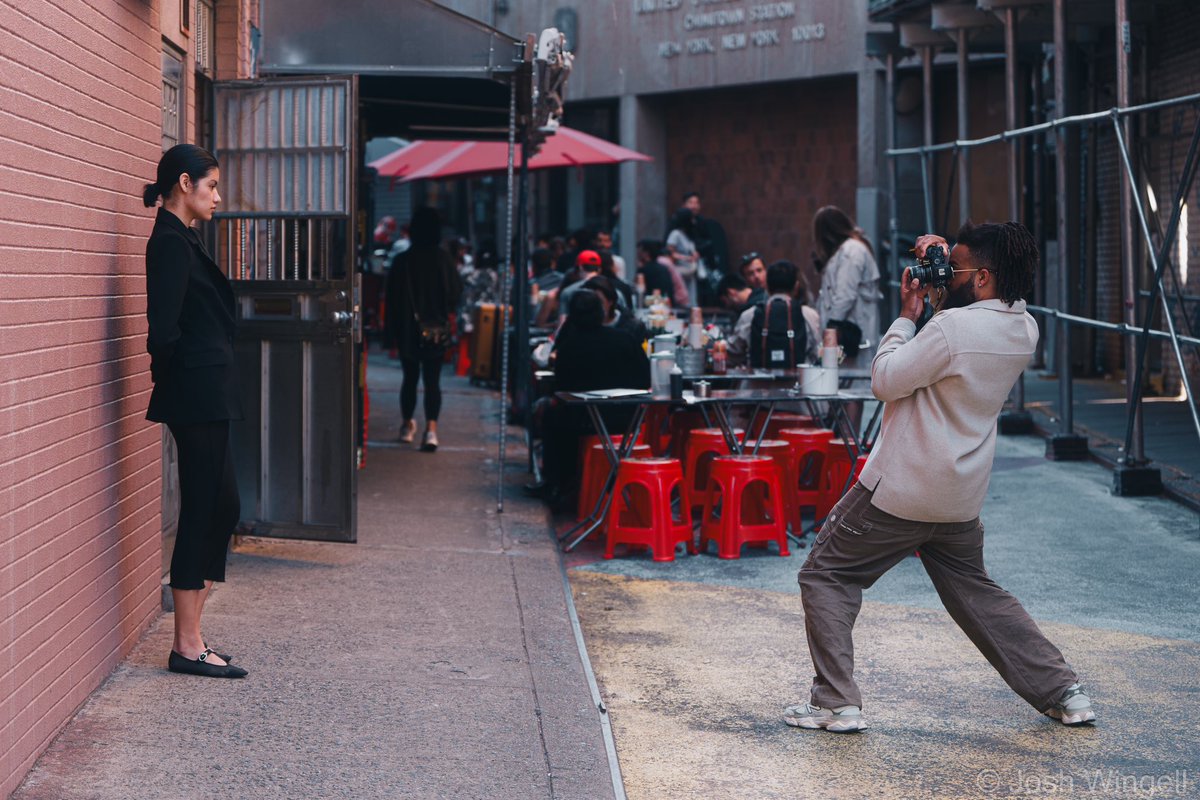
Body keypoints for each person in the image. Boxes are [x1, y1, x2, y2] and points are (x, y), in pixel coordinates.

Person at [786, 221, 1095, 734]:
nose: (946, 271)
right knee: (976, 592)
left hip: (901, 487)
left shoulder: (949, 330)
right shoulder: (1025, 329)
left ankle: (835, 702)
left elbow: (887, 380)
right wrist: (942, 286)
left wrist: (908, 318)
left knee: (826, 574)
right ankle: (1064, 691)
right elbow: (954, 347)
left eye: (957, 266)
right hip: (959, 497)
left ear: (982, 278)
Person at [142, 144, 247, 679]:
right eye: (211, 186)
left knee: (223, 504)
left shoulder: (182, 239)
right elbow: (162, 333)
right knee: (205, 507)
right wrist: (179, 383)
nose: (217, 196)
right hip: (195, 395)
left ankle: (193, 634)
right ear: (185, 183)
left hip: (209, 393)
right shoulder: (168, 243)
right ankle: (187, 644)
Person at [525, 291, 650, 506]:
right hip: (626, 419)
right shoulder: (625, 340)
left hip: (581, 420)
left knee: (552, 416)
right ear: (602, 314)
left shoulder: (569, 347)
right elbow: (645, 378)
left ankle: (557, 483)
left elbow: (562, 387)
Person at [385, 207, 463, 452]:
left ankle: (407, 425)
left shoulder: (402, 261)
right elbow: (455, 293)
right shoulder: (444, 259)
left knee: (409, 379)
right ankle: (431, 430)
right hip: (436, 330)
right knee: (433, 381)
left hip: (408, 329)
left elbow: (392, 300)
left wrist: (391, 334)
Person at [812, 206, 881, 366]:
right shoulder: (848, 250)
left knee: (852, 384)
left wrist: (831, 328)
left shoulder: (851, 251)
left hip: (852, 334)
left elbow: (845, 294)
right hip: (848, 334)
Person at [728, 261, 820, 368]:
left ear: (766, 286)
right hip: (799, 382)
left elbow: (734, 352)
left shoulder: (750, 315)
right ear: (796, 287)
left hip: (758, 383)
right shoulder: (809, 315)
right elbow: (818, 353)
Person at [585, 275, 647, 343]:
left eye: (599, 301)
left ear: (610, 301)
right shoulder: (583, 328)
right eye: (589, 301)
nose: (593, 306)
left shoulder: (632, 328)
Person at [636, 239, 689, 308]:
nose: (638, 254)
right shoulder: (663, 266)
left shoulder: (660, 263)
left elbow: (641, 292)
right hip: (671, 303)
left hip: (669, 303)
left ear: (646, 253)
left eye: (640, 251)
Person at [666, 208, 701, 305]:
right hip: (680, 271)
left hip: (690, 271)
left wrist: (695, 255)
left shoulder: (688, 234)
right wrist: (686, 258)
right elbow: (670, 253)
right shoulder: (675, 234)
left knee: (692, 298)